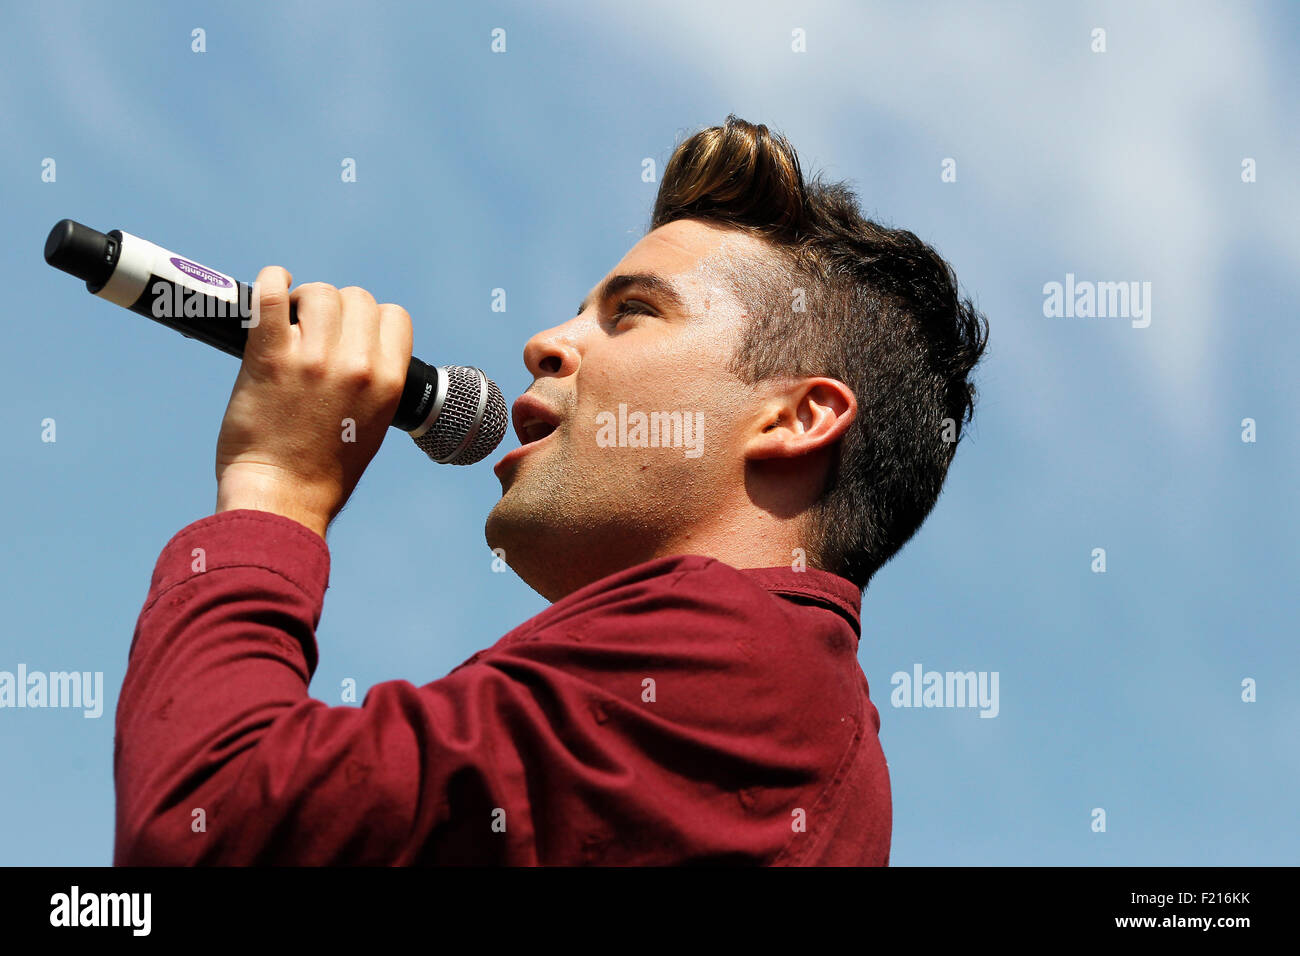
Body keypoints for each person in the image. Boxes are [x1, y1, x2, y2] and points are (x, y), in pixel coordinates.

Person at [114, 115, 988, 865]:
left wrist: (277, 483)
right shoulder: (784, 702)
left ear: (795, 418)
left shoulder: (733, 658)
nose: (545, 343)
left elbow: (211, 824)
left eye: (633, 311)